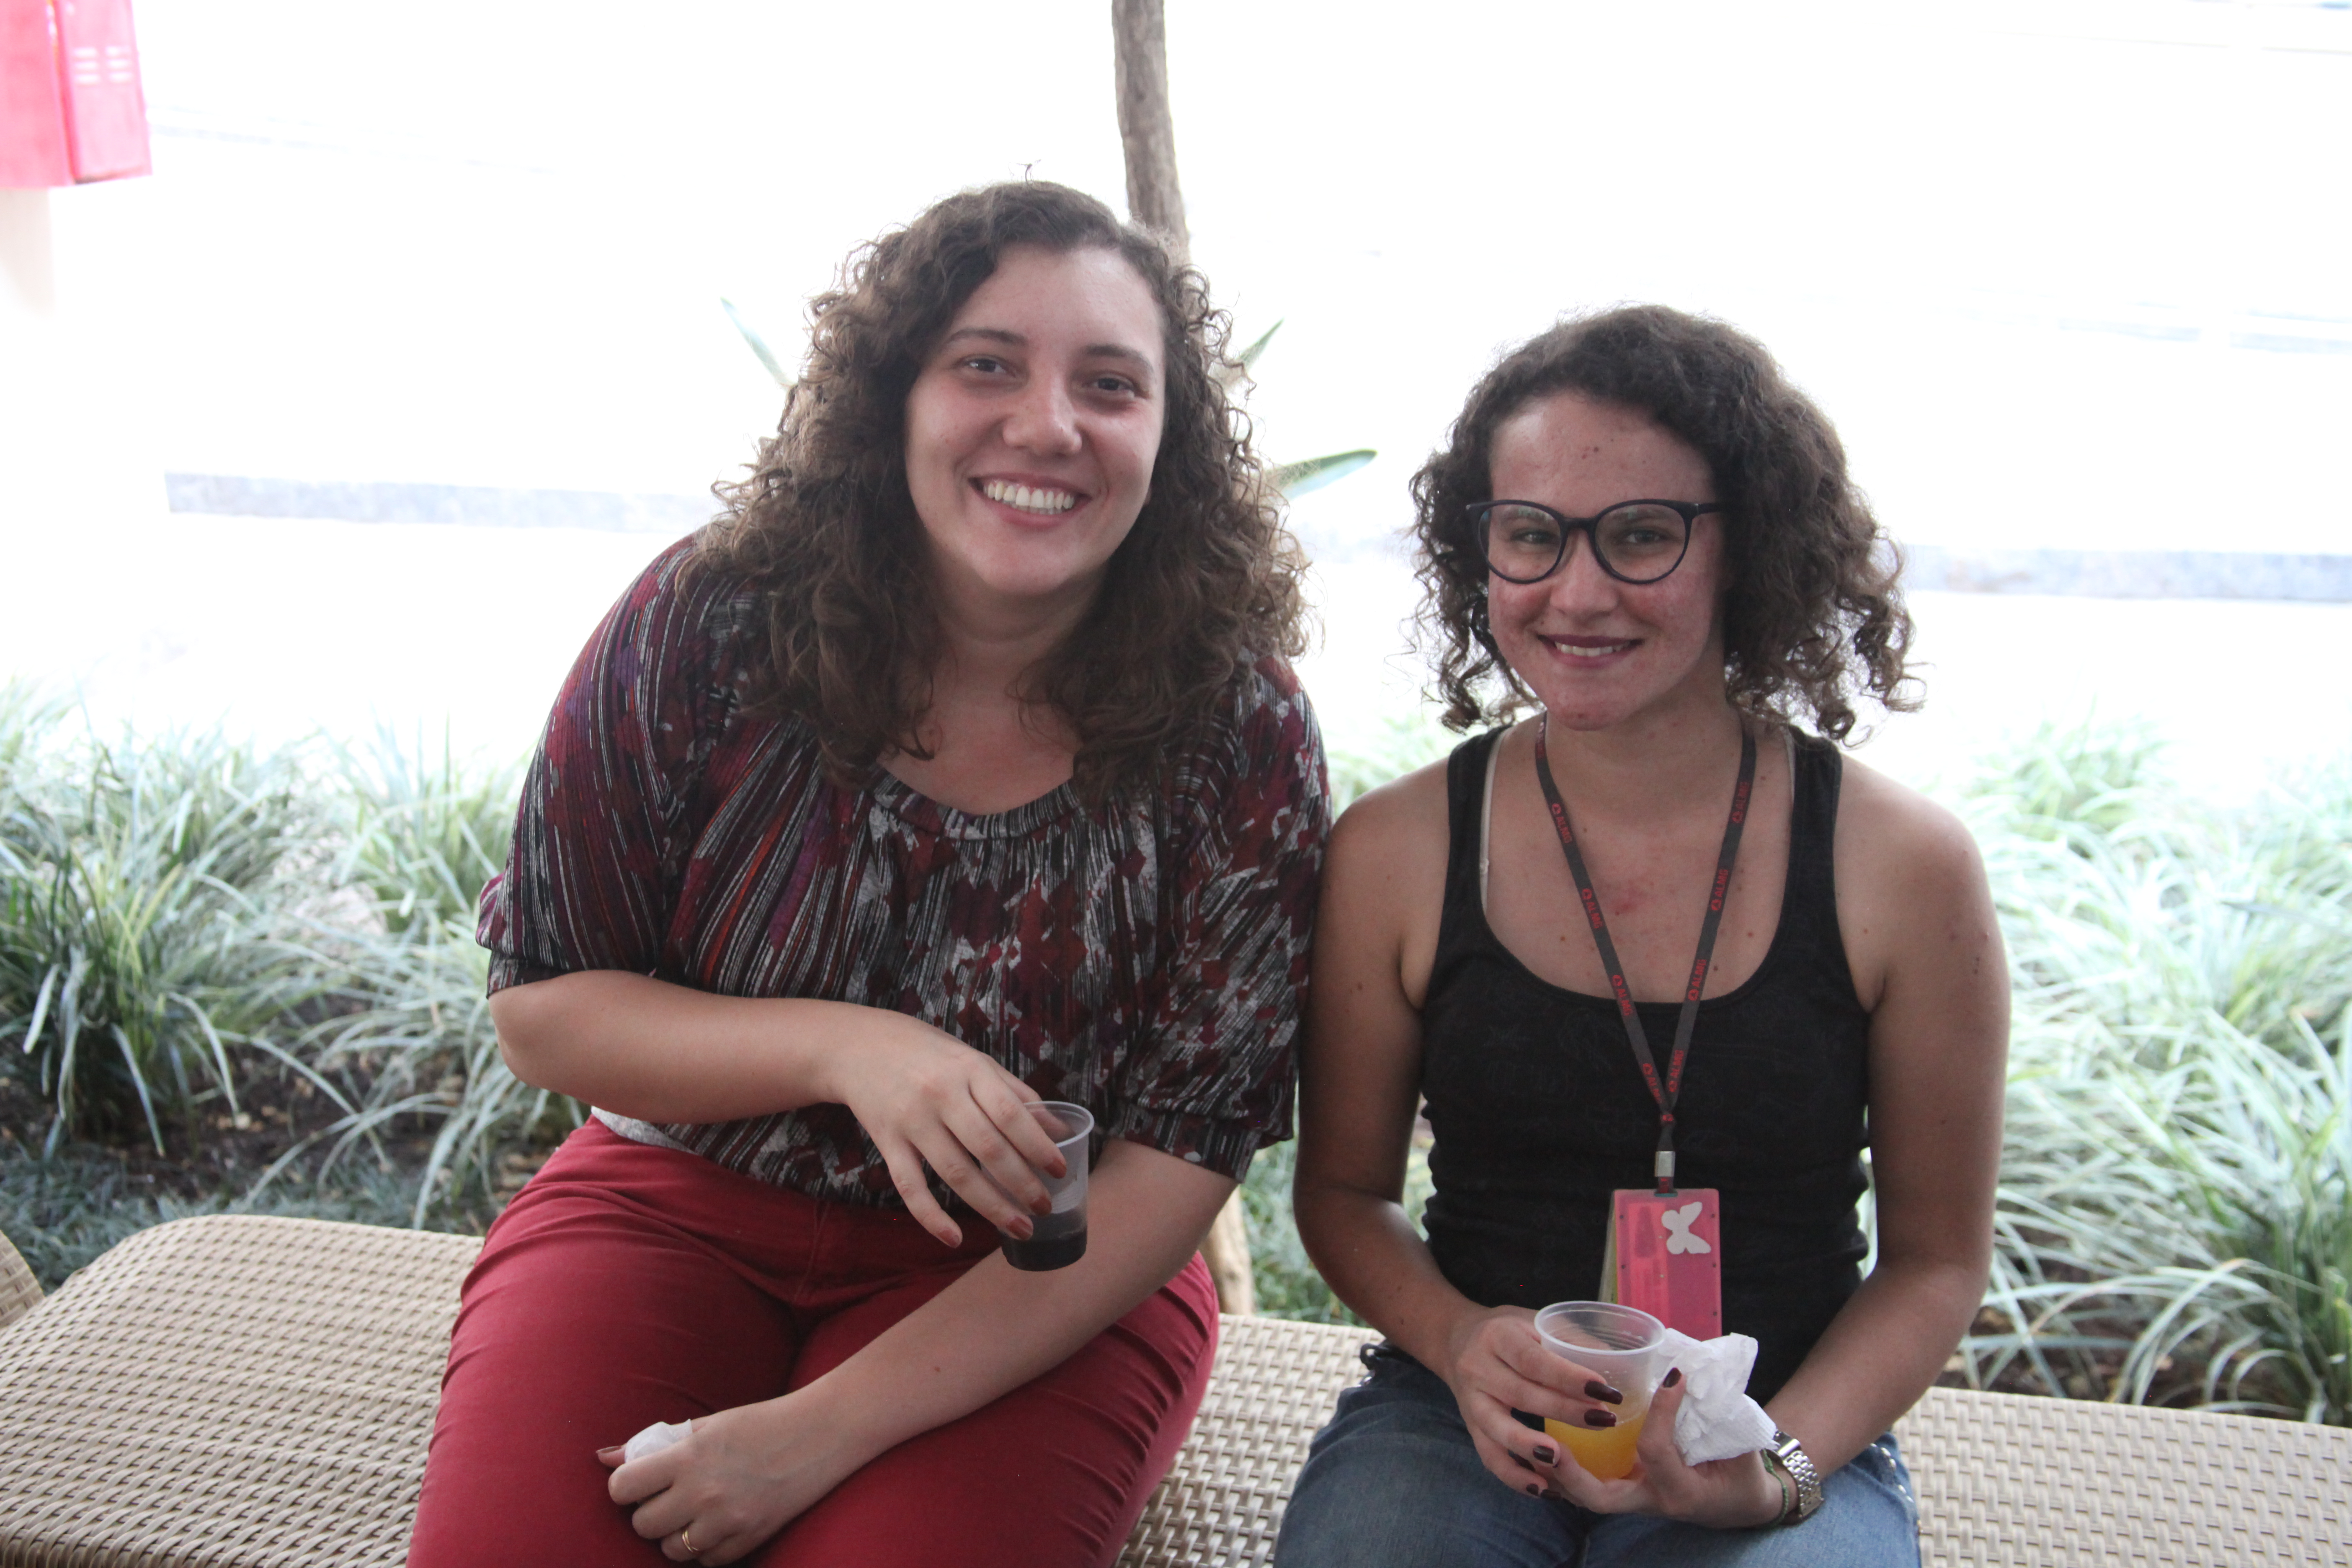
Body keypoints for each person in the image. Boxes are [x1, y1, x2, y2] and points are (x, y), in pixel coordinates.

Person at [405, 181, 1327, 1568]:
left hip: (1043, 1269)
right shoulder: (708, 622)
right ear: (894, 396)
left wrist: (811, 1435)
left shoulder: (1238, 724)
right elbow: (546, 1010)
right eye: (987, 365)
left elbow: (1184, 1157)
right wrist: (856, 1051)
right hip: (670, 1206)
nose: (1049, 425)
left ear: (1169, 437)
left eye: (1111, 384)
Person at [1275, 306, 2007, 1567]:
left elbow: (1936, 1264)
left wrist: (1778, 1469)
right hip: (1462, 1417)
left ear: (1749, 547)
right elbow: (1344, 1195)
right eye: (1531, 535)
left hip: (1777, 1419)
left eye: (1641, 536)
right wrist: (1456, 1340)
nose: (1577, 593)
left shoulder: (1902, 866)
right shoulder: (1399, 849)